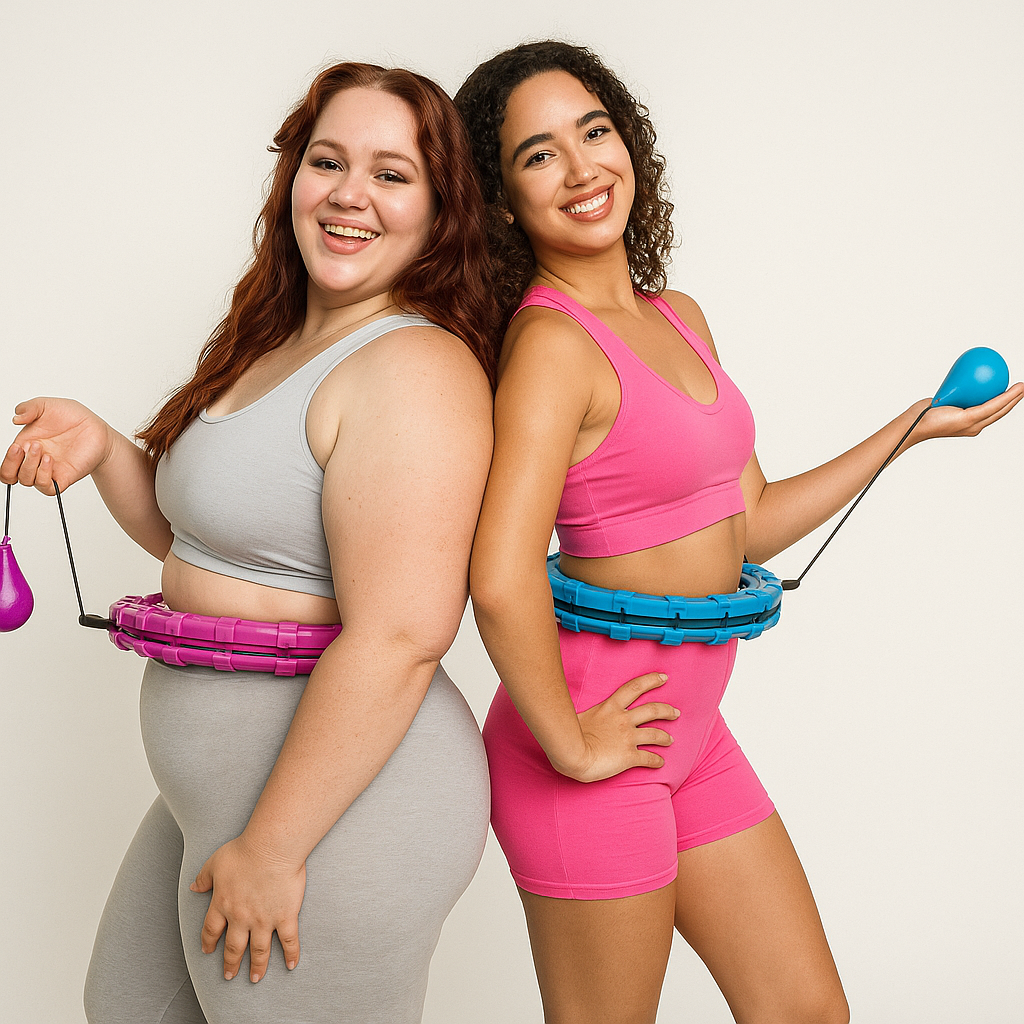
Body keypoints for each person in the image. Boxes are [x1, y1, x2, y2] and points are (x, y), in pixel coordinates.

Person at [455, 40, 1022, 1024]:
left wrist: (910, 428)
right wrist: (572, 745)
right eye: (538, 154)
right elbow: (501, 575)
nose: (583, 167)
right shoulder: (549, 344)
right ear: (501, 201)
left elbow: (748, 524)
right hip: (591, 735)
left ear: (628, 143)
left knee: (805, 1011)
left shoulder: (677, 317)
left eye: (594, 132)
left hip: (689, 727)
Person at [2, 61, 497, 1024]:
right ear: (292, 177)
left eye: (392, 174)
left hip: (337, 811)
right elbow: (205, 549)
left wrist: (274, 848)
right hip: (218, 791)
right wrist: (103, 447)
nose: (350, 194)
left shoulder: (414, 367)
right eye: (328, 161)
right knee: (127, 1008)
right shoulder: (276, 341)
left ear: (442, 211)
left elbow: (403, 633)